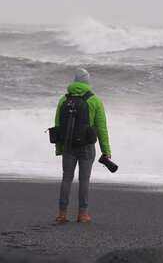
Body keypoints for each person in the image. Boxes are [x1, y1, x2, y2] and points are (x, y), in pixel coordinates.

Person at [54, 68, 111, 224]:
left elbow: (58, 126)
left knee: (66, 178)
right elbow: (101, 128)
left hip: (67, 146)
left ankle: (62, 214)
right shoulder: (95, 100)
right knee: (84, 180)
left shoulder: (63, 100)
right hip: (86, 147)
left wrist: (59, 147)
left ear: (74, 81)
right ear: (88, 81)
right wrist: (106, 150)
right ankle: (83, 214)